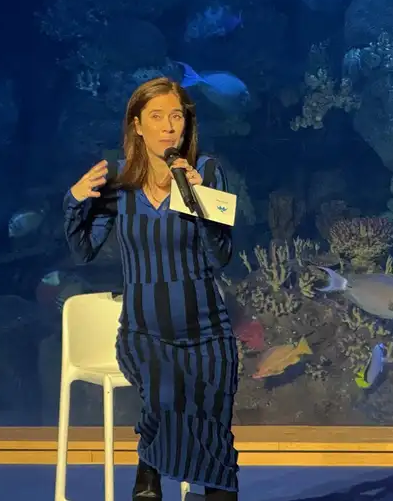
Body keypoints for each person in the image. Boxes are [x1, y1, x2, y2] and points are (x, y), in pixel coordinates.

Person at [64, 77, 239, 501]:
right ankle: (152, 466)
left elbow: (221, 257)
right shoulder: (119, 186)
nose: (168, 126)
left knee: (213, 414)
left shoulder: (208, 171)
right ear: (137, 125)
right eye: (156, 117)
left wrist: (198, 198)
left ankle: (181, 474)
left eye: (176, 116)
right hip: (145, 336)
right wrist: (74, 201)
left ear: (186, 124)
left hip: (207, 332)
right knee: (164, 392)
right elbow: (82, 252)